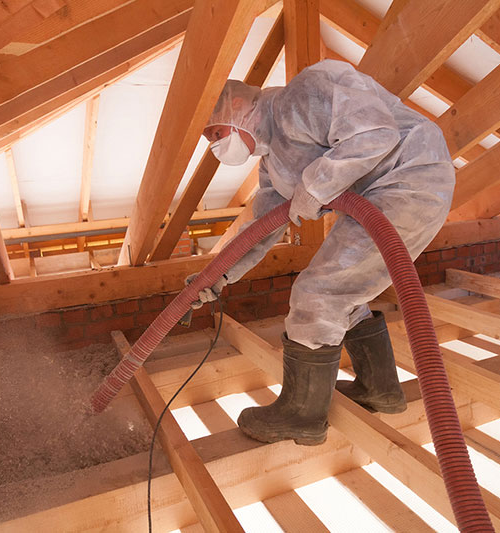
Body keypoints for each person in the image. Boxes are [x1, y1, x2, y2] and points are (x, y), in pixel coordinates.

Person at [188, 59, 455, 446]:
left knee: (319, 292)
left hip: (411, 177)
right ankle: (379, 389)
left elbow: (374, 133)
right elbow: (257, 227)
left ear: (237, 108)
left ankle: (302, 415)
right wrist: (216, 275)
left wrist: (315, 186)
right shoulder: (274, 163)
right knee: (341, 291)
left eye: (215, 131)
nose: (216, 146)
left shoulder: (306, 92)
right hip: (380, 195)